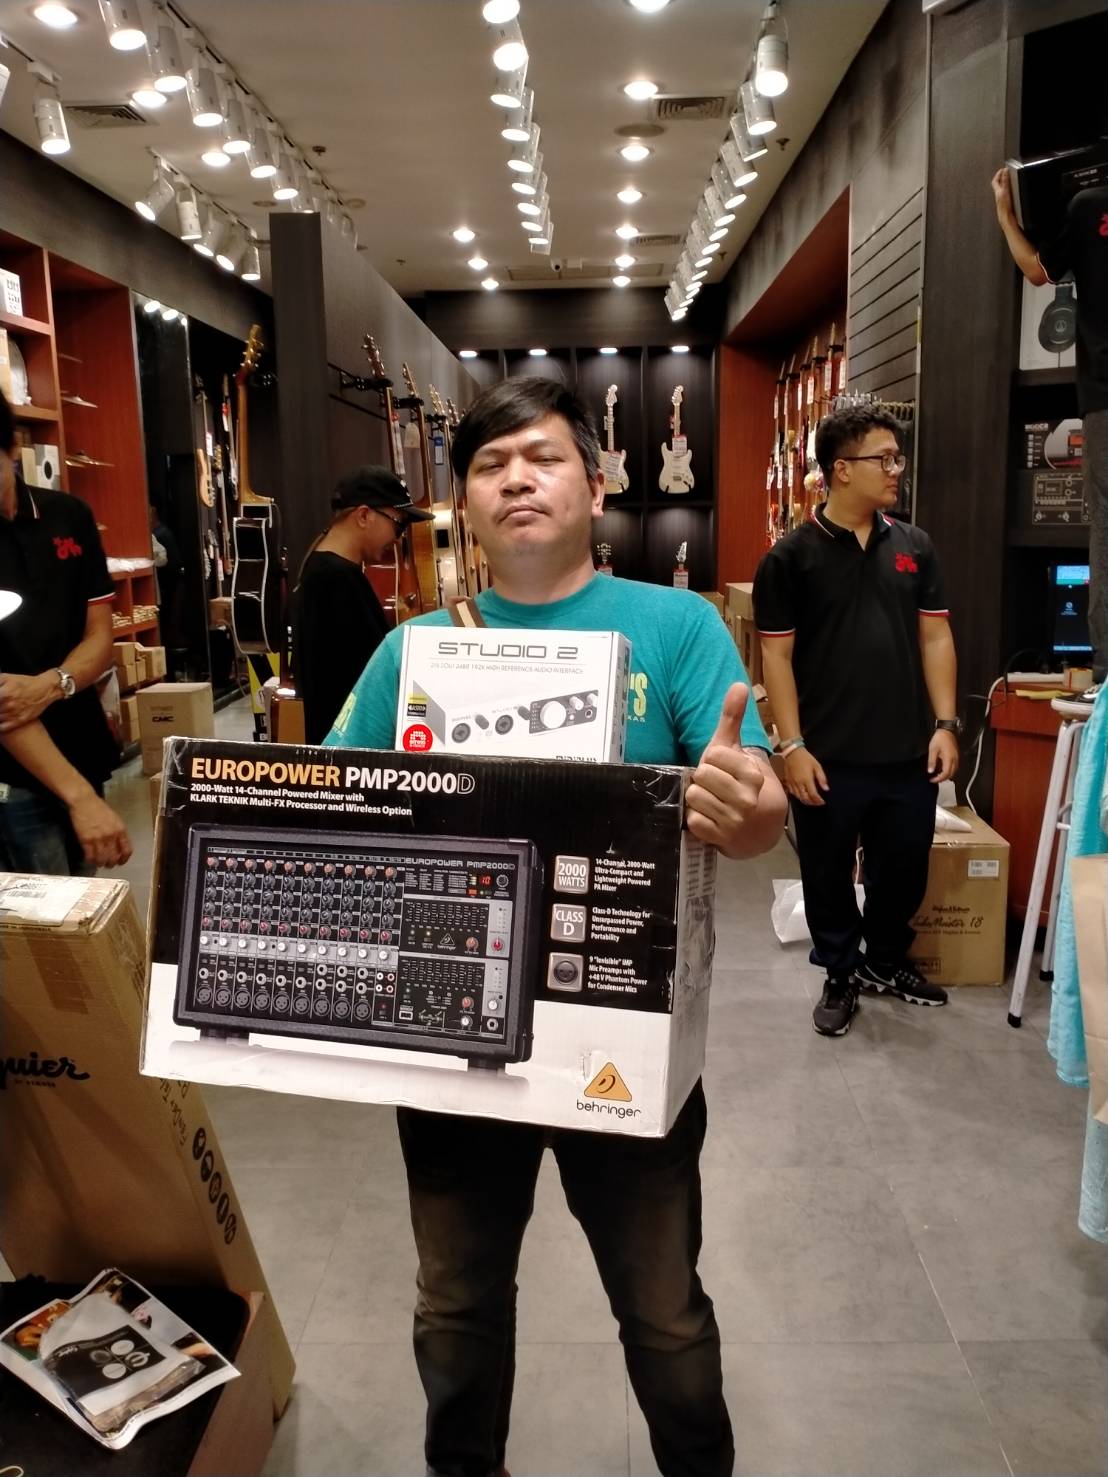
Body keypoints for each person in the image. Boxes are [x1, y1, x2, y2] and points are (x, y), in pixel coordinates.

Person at [325, 377, 787, 1477]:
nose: (517, 479)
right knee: (455, 1306)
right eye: (490, 465)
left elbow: (755, 799)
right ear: (465, 504)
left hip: (624, 1033)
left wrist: (752, 807)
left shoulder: (674, 626)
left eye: (542, 457)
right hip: (450, 1032)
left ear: (596, 484)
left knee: (664, 1311)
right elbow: (333, 803)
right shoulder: (411, 650)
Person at [753, 406, 958, 1037]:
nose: (897, 470)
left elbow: (936, 638)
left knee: (905, 868)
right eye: (884, 459)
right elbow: (776, 658)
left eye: (898, 458)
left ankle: (885, 961)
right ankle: (840, 971)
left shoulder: (914, 547)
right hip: (827, 755)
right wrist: (791, 745)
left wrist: (946, 723)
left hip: (907, 752)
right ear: (841, 470)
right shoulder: (791, 558)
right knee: (827, 873)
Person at [0, 389, 132, 874]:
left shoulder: (69, 516)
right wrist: (78, 798)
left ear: (13, 448)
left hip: (81, 745)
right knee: (46, 912)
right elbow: (5, 705)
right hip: (14, 776)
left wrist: (53, 684)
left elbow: (100, 636)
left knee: (86, 898)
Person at [991, 167, 1108, 679]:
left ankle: (1106, 673)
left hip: (1105, 396)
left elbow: (1038, 271)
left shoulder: (1090, 205)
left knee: (1106, 526)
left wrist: (1004, 212)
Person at [291, 465, 434, 744]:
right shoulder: (337, 579)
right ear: (364, 515)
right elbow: (379, 670)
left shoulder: (322, 570)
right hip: (353, 750)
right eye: (398, 524)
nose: (398, 538)